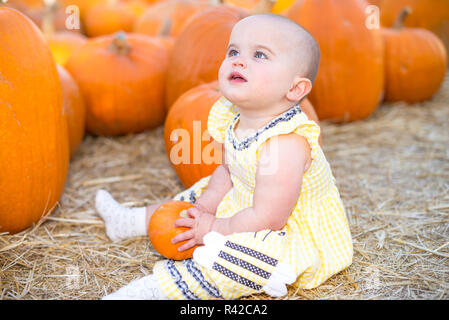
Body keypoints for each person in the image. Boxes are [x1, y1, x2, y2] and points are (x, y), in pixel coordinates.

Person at [96, 13, 353, 300]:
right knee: (196, 195)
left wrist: (214, 228)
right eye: (233, 51)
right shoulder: (236, 118)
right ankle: (129, 221)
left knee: (240, 258)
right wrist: (206, 206)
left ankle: (160, 290)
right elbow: (227, 171)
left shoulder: (285, 144)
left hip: (286, 232)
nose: (239, 60)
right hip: (247, 205)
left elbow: (269, 217)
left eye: (259, 55)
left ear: (295, 88)